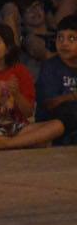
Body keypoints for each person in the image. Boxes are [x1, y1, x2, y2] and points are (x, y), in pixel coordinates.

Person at [0, 25, 64, 152]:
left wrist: (16, 94)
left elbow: (28, 112)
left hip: (18, 128)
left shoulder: (20, 71)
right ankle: (19, 143)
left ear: (8, 48)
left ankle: (4, 144)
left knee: (57, 125)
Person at [32, 16, 77, 144]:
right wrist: (72, 97)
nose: (64, 43)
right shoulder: (50, 67)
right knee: (70, 110)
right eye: (60, 37)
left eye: (72, 38)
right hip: (54, 122)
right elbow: (49, 104)